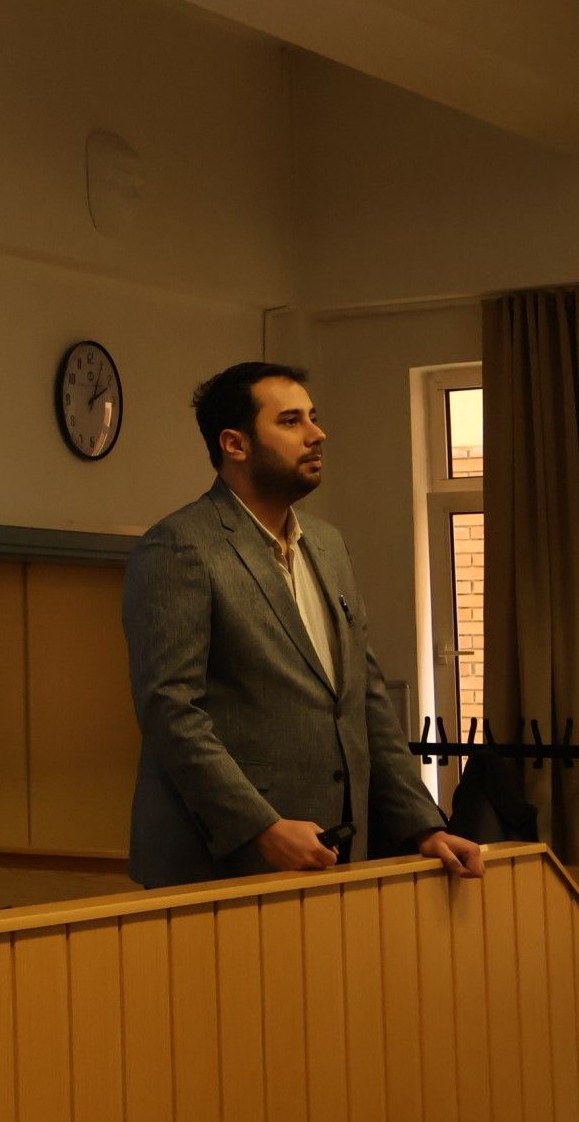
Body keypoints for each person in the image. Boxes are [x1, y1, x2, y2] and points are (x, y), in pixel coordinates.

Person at [122, 361, 485, 887]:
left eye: (312, 417)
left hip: (337, 853)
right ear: (235, 444)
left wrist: (424, 826)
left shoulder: (328, 544)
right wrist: (259, 826)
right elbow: (170, 711)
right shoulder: (181, 546)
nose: (317, 434)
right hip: (224, 865)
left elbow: (365, 700)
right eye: (291, 421)